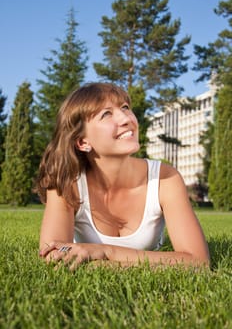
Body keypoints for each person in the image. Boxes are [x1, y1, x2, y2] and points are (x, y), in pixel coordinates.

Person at [37, 82, 210, 270]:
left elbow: (198, 261)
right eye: (106, 114)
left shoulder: (165, 179)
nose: (127, 118)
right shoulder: (66, 182)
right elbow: (53, 253)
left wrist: (106, 253)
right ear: (82, 142)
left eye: (125, 108)